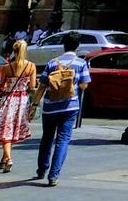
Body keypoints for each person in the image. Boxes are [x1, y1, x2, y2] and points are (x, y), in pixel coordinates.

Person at [31, 31, 90, 187]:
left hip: (50, 107)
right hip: (70, 107)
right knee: (63, 140)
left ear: (64, 45)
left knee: (47, 138)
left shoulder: (52, 63)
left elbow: (42, 85)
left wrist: (34, 104)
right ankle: (54, 176)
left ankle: (41, 169)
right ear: (78, 46)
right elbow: (84, 84)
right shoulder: (81, 63)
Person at [0, 39, 36, 173]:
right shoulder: (31, 66)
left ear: (13, 51)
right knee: (12, 130)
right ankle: (4, 159)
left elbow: (2, 85)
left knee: (5, 130)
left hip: (9, 99)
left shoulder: (7, 67)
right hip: (22, 101)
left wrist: (9, 85)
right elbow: (32, 86)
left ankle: (8, 158)